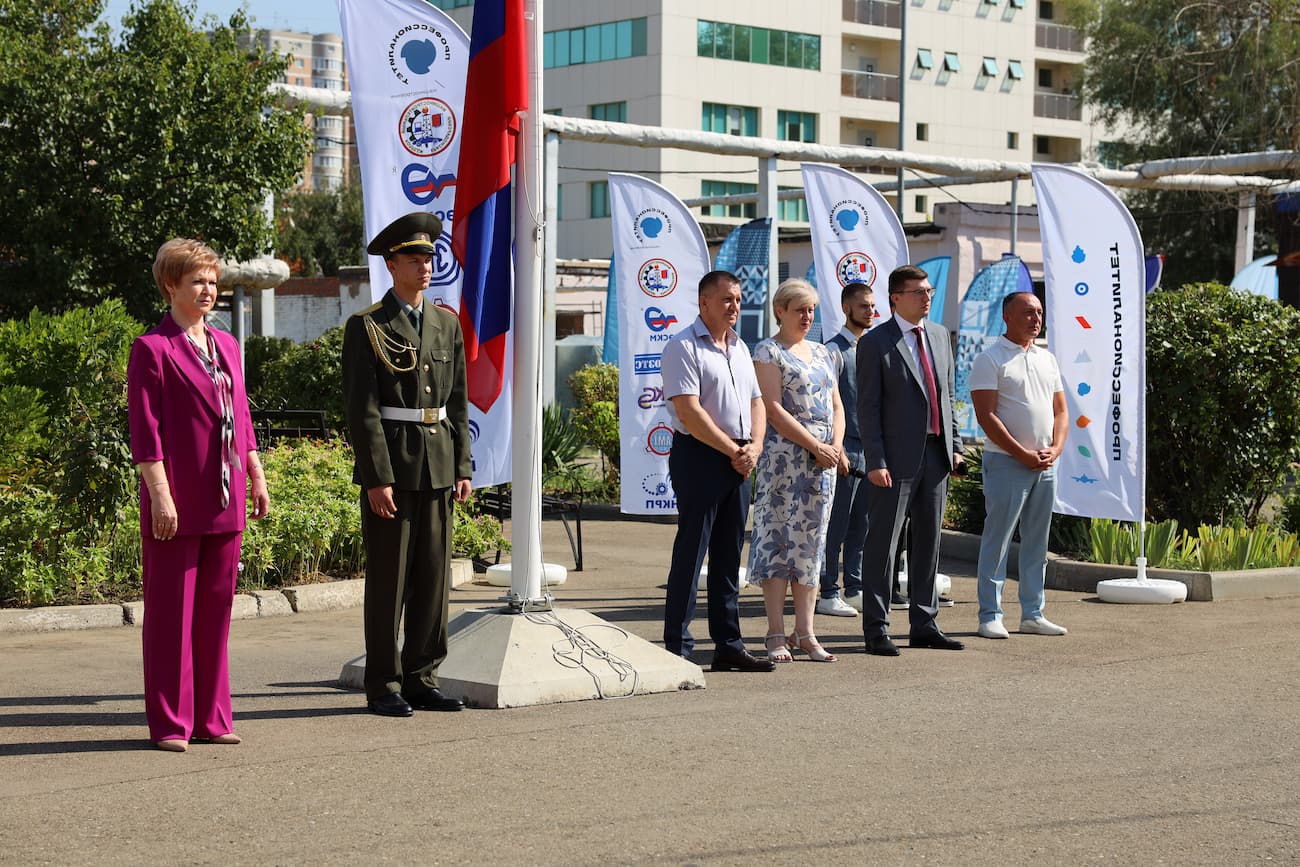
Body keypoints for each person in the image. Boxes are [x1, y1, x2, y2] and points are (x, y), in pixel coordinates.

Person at [127, 238, 271, 752]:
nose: (209, 289)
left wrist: (255, 473)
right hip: (176, 501)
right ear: (172, 285)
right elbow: (145, 434)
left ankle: (211, 716)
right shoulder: (152, 349)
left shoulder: (227, 345)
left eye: (213, 280)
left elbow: (243, 416)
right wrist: (160, 496)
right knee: (170, 617)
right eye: (198, 281)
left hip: (224, 496)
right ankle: (170, 723)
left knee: (215, 613)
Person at [342, 212, 473, 717]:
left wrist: (462, 464)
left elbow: (457, 401)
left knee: (434, 577)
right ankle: (384, 683)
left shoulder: (445, 324)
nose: (425, 266)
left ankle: (423, 677)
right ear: (391, 263)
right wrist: (377, 477)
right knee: (389, 579)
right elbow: (363, 408)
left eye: (429, 258)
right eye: (415, 259)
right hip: (394, 464)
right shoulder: (368, 326)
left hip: (438, 461)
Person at [661, 270, 773, 672]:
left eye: (739, 299)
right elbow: (689, 411)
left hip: (740, 459)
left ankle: (728, 644)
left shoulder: (741, 348)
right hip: (701, 456)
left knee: (728, 558)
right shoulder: (683, 346)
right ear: (703, 303)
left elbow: (757, 402)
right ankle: (677, 646)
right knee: (692, 552)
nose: (735, 307)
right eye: (726, 299)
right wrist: (733, 450)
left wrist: (754, 447)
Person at [857, 264, 967, 656]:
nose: (927, 297)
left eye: (929, 291)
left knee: (929, 543)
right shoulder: (875, 344)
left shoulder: (938, 336)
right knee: (884, 545)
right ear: (895, 298)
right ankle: (876, 627)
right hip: (894, 461)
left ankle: (924, 622)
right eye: (918, 292)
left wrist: (955, 445)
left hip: (937, 456)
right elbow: (867, 409)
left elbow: (947, 395)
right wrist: (875, 459)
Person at [749, 279, 845, 662]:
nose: (807, 317)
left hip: (824, 465)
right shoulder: (768, 352)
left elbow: (837, 405)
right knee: (778, 541)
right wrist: (815, 445)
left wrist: (835, 447)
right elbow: (772, 408)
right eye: (799, 310)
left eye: (811, 310)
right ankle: (775, 633)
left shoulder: (823, 353)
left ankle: (805, 632)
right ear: (780, 311)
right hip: (785, 461)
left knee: (812, 545)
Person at [970, 291, 1069, 638]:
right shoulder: (991, 359)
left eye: (1039, 312)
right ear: (1007, 316)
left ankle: (1032, 613)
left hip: (1044, 465)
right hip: (1006, 463)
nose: (1036, 318)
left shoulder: (1047, 359)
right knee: (998, 540)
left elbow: (1060, 411)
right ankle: (990, 615)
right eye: (1028, 312)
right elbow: (987, 415)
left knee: (1037, 543)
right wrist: (1020, 454)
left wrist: (1055, 449)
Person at [817, 282, 875, 618]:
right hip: (844, 451)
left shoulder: (872, 348)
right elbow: (827, 406)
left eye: (872, 306)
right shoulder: (833, 351)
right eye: (864, 306)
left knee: (861, 525)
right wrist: (834, 449)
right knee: (835, 525)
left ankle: (853, 587)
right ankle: (828, 590)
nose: (870, 311)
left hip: (871, 453)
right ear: (846, 308)